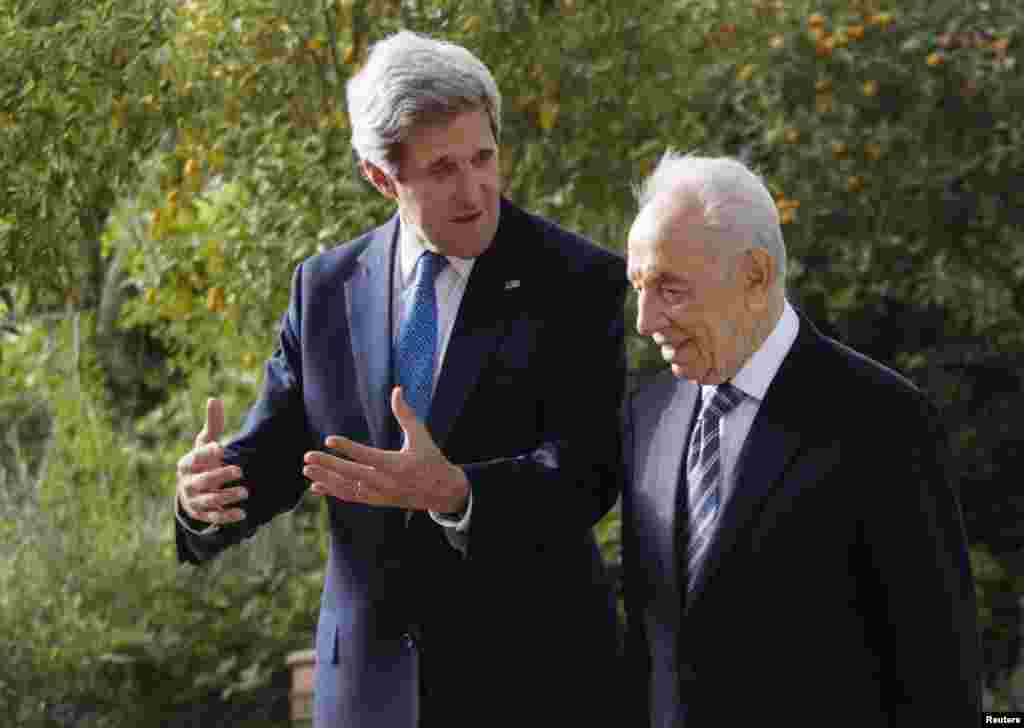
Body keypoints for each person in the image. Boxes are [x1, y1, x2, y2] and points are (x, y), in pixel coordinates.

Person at [174, 31, 626, 728]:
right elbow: (279, 453)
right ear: (380, 177)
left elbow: (588, 472)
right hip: (366, 693)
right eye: (443, 169)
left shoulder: (576, 280)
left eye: (484, 157)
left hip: (534, 684)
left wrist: (457, 491)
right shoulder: (323, 288)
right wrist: (209, 494)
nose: (476, 191)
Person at [621, 153, 981, 726]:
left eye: (669, 288)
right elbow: (648, 645)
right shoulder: (649, 415)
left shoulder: (881, 419)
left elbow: (938, 669)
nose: (644, 321)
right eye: (638, 286)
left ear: (756, 277)